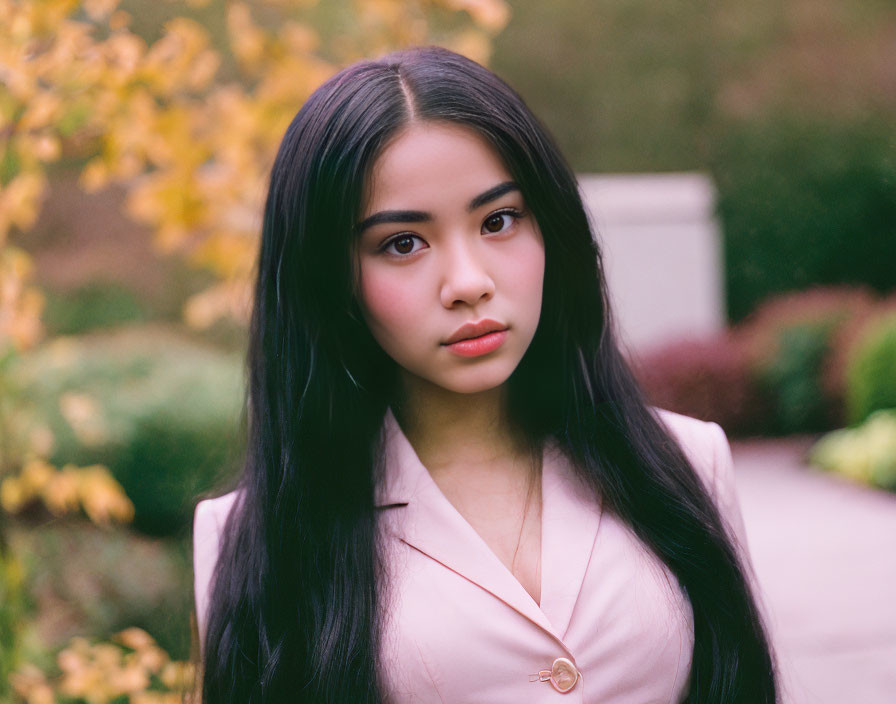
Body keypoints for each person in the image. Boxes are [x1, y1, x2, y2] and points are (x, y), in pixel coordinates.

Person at [192, 45, 779, 703]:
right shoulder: (257, 537)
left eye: (499, 220)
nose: (469, 283)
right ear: (330, 281)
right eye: (402, 243)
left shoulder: (688, 463)